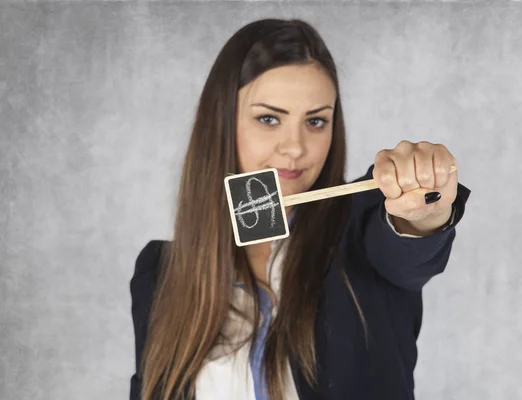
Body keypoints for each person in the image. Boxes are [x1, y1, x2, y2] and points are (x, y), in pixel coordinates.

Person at [129, 18, 471, 400]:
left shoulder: (361, 226)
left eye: (316, 121)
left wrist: (424, 208)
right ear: (221, 122)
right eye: (269, 119)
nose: (294, 147)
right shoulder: (159, 273)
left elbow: (407, 242)